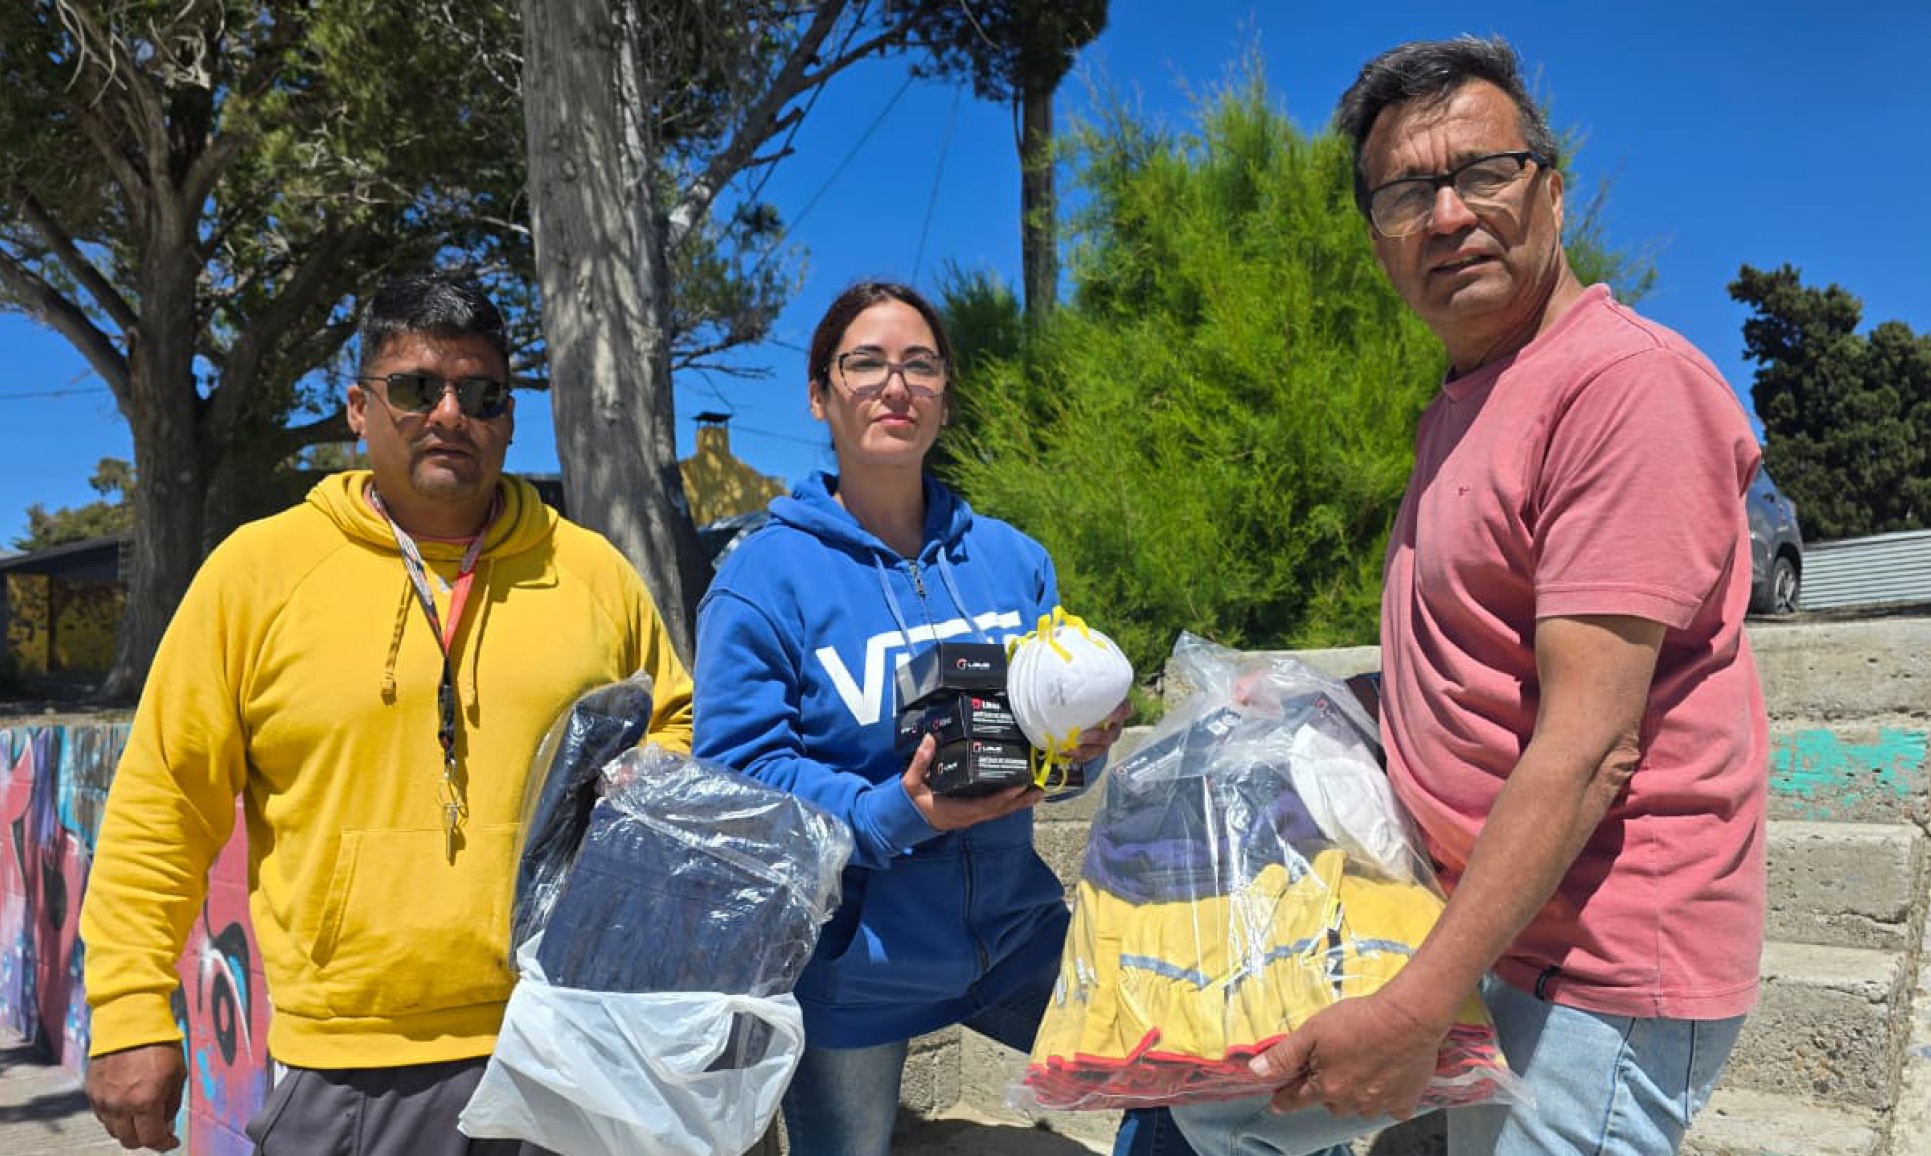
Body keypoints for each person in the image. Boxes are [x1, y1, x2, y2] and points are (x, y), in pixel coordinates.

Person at [1170, 35, 1768, 1156]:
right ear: (1378, 240)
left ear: (1550, 184)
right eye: (1406, 192)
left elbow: (1591, 745)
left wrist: (1409, 1009)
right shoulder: (1467, 401)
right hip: (1482, 928)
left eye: (1481, 172)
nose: (1447, 215)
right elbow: (1474, 659)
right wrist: (1301, 695)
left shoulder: (1620, 387)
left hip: (1598, 967)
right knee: (1208, 1105)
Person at [78, 272, 695, 1154]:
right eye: (415, 388)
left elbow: (674, 739)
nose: (450, 414)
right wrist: (131, 1006)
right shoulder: (258, 572)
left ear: (509, 420)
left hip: (572, 1039)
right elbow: (165, 802)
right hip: (351, 1071)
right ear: (358, 409)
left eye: (482, 393)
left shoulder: (594, 573)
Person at [691, 281, 1196, 1156]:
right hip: (855, 976)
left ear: (945, 397)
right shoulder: (761, 578)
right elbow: (739, 774)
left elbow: (1054, 747)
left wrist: (1078, 753)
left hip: (1017, 938)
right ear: (819, 395)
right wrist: (900, 813)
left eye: (921, 366)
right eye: (867, 364)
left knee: (1192, 1085)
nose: (897, 386)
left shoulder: (1012, 561)